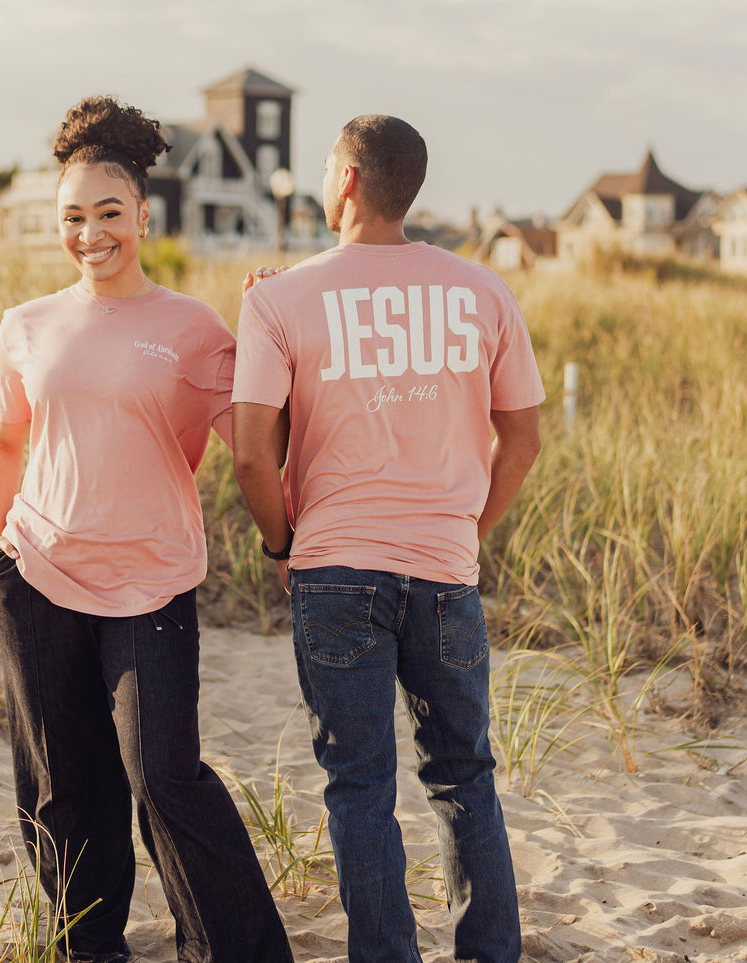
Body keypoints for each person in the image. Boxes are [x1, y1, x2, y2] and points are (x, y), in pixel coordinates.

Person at [0, 96, 293, 963]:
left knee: (164, 776)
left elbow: (259, 442)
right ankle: (88, 946)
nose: (90, 234)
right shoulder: (25, 325)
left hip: (151, 580)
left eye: (108, 213)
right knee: (61, 785)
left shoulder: (192, 328)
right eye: (72, 217)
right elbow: (2, 441)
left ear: (144, 216)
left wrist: (269, 332)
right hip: (37, 573)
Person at [231, 114, 544, 963]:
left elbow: (251, 454)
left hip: (334, 570)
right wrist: (464, 533)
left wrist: (281, 546)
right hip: (444, 571)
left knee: (358, 784)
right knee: (464, 773)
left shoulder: (276, 298)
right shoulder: (483, 292)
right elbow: (522, 440)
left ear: (345, 180)